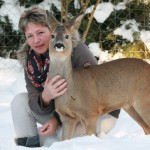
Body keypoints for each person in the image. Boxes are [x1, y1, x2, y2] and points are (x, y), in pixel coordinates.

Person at [11, 5, 120, 147]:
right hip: (63, 113)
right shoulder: (31, 62)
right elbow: (33, 101)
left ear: (53, 29)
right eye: (30, 36)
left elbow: (97, 92)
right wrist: (46, 96)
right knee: (20, 102)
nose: (36, 40)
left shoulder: (76, 50)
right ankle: (28, 145)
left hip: (95, 114)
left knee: (66, 141)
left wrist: (56, 120)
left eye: (40, 32)